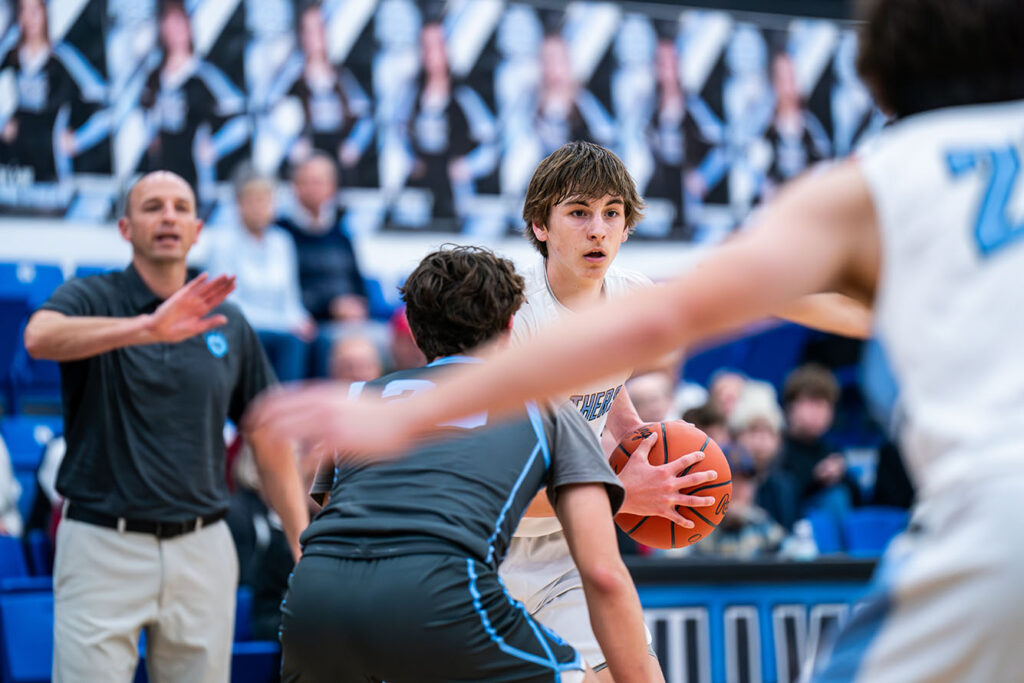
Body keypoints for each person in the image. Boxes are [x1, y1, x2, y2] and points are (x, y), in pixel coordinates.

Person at [248, 1, 1024, 680]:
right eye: (579, 211)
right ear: (540, 225)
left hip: (571, 547)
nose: (597, 228)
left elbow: (626, 373)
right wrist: (622, 493)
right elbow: (480, 473)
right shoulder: (509, 315)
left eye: (612, 213)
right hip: (490, 544)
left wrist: (627, 438)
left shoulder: (642, 294)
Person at [288, 245, 658, 682]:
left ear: (415, 331)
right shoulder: (544, 406)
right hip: (436, 594)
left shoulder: (360, 401)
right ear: (509, 326)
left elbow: (336, 508)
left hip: (313, 603)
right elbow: (604, 574)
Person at [23, 171, 309, 683]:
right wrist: (148, 328)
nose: (168, 216)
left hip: (202, 547)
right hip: (101, 544)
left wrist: (299, 538)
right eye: (152, 206)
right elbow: (39, 338)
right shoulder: (90, 297)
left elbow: (268, 436)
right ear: (125, 227)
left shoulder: (228, 321)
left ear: (198, 229)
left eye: (181, 206)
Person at [205, 167, 314, 382]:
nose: (260, 207)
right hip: (244, 327)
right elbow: (228, 305)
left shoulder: (283, 242)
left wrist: (301, 319)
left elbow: (291, 298)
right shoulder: (222, 243)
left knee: (306, 337)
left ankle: (290, 408)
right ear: (238, 203)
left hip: (281, 327)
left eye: (266, 200)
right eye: (253, 200)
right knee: (286, 339)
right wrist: (285, 323)